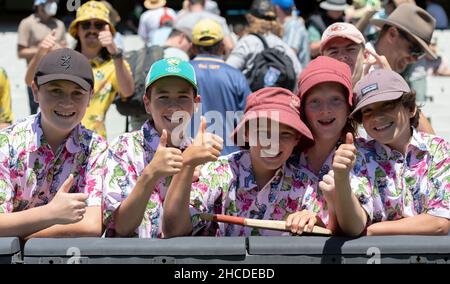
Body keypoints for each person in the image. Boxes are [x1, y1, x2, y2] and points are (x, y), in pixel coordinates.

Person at [163, 87, 332, 237]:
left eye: (285, 134)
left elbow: (327, 236)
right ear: (246, 134)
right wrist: (187, 165)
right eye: (263, 132)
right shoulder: (219, 172)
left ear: (297, 139)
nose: (273, 143)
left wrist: (314, 222)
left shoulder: (307, 186)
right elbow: (173, 230)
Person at [103, 58, 223, 238]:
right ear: (147, 104)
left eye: (183, 97)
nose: (173, 106)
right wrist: (150, 174)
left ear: (196, 103)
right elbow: (122, 227)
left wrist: (187, 165)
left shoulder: (204, 159)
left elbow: (178, 230)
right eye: (163, 97)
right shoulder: (122, 148)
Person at [0, 48, 107, 239]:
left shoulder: (96, 148)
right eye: (55, 91)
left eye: (77, 93)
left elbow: (91, 225)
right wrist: (51, 213)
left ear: (90, 96)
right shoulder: (6, 143)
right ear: (35, 91)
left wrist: (20, 234)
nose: (66, 102)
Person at [349, 69, 449, 235]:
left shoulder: (438, 148)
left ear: (410, 108)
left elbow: (439, 222)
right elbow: (353, 222)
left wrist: (373, 229)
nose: (377, 116)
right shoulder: (359, 154)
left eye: (387, 105)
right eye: (367, 111)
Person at [25, 1, 134, 139]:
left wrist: (115, 51)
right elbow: (30, 81)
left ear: (107, 30)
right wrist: (41, 51)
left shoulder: (114, 65)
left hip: (91, 146)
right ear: (77, 30)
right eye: (86, 24)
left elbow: (127, 92)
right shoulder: (63, 59)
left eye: (99, 25)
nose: (92, 30)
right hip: (51, 140)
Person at [294, 56, 372, 236]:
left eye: (335, 100)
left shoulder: (367, 155)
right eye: (315, 101)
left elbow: (355, 228)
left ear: (349, 107)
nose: (325, 110)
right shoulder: (285, 152)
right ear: (303, 109)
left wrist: (342, 179)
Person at [368, 3, 438, 134]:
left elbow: (429, 139)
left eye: (420, 54)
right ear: (392, 34)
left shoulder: (392, 75)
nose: (415, 59)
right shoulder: (359, 64)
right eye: (414, 49)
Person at [190, 18, 251, 155]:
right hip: (228, 160)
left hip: (190, 157)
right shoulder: (236, 76)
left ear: (192, 47)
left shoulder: (184, 73)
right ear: (222, 47)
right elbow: (247, 119)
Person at [226, 0, 301, 80]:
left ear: (250, 19)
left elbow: (228, 71)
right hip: (278, 92)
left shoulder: (247, 42)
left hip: (252, 92)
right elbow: (298, 73)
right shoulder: (282, 45)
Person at [18, 0, 67, 114]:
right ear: (39, 6)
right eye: (50, 2)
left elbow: (66, 49)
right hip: (34, 76)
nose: (54, 4)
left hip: (57, 76)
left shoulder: (59, 24)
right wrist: (42, 49)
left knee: (55, 111)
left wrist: (58, 48)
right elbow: (21, 52)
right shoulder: (27, 23)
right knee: (34, 113)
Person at [272, 0, 310, 68]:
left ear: (277, 8)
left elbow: (290, 53)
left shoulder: (294, 25)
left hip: (297, 75)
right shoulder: (289, 23)